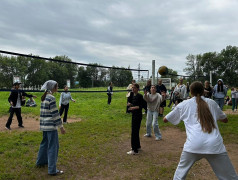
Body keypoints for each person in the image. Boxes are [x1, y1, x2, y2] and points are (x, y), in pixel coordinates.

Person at [163, 81, 238, 180]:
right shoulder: (212, 103)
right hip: (214, 145)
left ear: (191, 92)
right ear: (203, 91)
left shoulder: (184, 104)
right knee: (230, 177)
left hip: (193, 145)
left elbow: (165, 119)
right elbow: (225, 119)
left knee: (179, 176)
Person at [36, 80, 66, 176]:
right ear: (53, 88)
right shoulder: (51, 98)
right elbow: (55, 114)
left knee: (44, 144)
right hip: (51, 127)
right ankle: (52, 170)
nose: (57, 88)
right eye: (57, 87)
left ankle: (40, 162)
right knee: (53, 147)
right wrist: (61, 127)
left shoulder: (44, 98)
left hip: (44, 126)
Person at [127, 83, 143, 155]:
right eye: (132, 88)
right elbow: (134, 104)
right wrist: (130, 105)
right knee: (135, 131)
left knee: (134, 132)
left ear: (137, 89)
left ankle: (134, 150)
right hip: (134, 115)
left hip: (138, 115)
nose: (132, 89)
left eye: (134, 88)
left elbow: (140, 106)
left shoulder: (140, 96)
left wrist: (133, 107)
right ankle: (137, 146)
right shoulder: (133, 95)